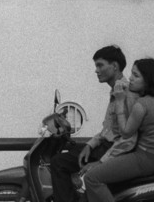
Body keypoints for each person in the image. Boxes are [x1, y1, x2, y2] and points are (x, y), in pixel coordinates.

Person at [83, 58, 154, 202]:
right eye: (131, 74)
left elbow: (126, 132)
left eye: (136, 75)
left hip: (147, 159)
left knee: (92, 178)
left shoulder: (142, 104)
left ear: (147, 80)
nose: (130, 79)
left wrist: (120, 101)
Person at [49, 45, 137, 202]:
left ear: (114, 66)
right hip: (106, 146)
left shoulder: (125, 94)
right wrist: (90, 145)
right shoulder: (116, 90)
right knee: (72, 152)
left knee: (58, 163)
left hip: (114, 150)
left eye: (100, 65)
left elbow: (127, 138)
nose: (96, 70)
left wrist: (101, 162)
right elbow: (108, 129)